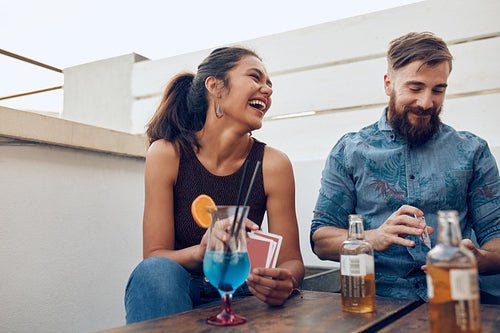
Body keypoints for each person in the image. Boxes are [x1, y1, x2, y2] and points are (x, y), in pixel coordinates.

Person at [310, 32, 500, 302]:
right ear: (388, 84)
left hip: (456, 296)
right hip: (372, 300)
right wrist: (372, 238)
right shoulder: (349, 150)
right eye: (415, 88)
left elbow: (496, 236)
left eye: (438, 90)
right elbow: (321, 240)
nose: (426, 102)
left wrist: (481, 259)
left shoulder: (473, 151)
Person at [124, 46, 304, 324]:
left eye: (269, 83)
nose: (267, 89)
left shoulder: (274, 164)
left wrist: (285, 280)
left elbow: (291, 260)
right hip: (184, 286)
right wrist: (202, 250)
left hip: (246, 289)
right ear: (215, 86)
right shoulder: (167, 154)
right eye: (255, 77)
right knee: (153, 271)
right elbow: (154, 256)